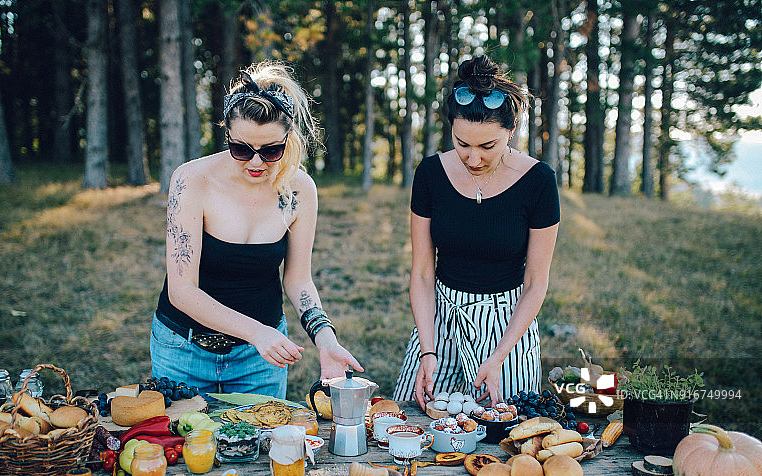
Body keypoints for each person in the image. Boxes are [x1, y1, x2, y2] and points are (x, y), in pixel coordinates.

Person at [150, 61, 363, 397]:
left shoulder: (300, 191)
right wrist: (258, 333)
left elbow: (298, 279)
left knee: (265, 448)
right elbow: (182, 291)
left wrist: (326, 339)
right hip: (182, 351)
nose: (255, 162)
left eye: (271, 151)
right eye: (241, 149)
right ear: (227, 134)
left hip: (259, 361)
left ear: (287, 138)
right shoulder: (191, 181)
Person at [393, 55, 560, 410]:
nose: (472, 158)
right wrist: (427, 350)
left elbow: (535, 282)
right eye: (462, 143)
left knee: (507, 436)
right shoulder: (430, 175)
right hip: (439, 321)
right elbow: (422, 273)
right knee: (413, 425)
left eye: (488, 146)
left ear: (511, 132)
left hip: (507, 327)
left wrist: (500, 356)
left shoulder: (539, 181)